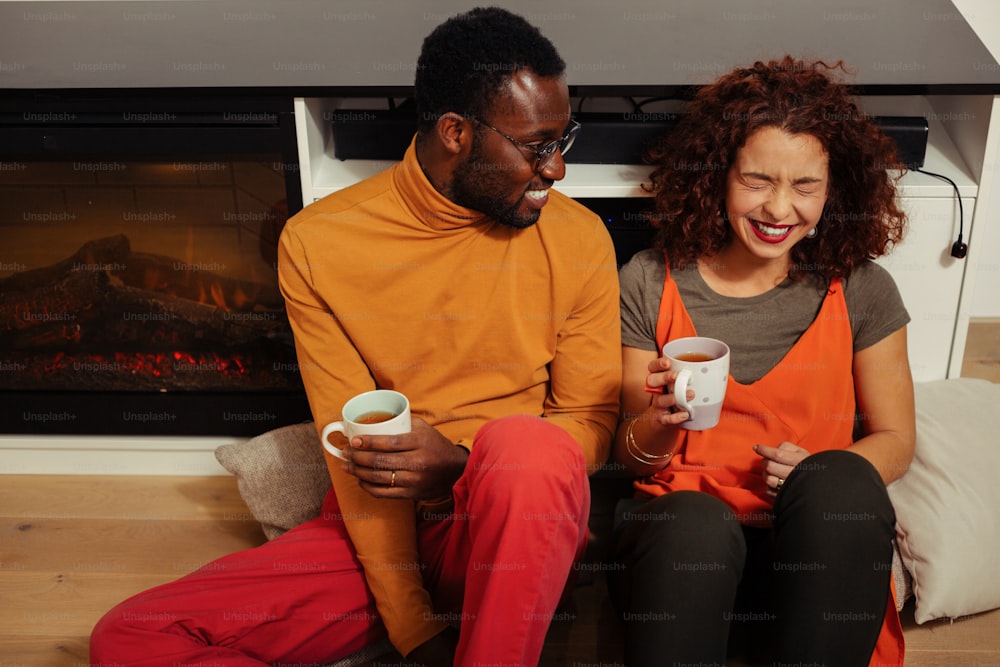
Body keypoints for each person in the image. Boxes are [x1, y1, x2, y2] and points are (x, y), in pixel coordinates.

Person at [89, 8, 621, 666]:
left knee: (527, 446)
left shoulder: (579, 238)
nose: (557, 170)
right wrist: (415, 628)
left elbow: (589, 423)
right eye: (537, 146)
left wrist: (461, 461)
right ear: (456, 132)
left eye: (561, 141)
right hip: (384, 528)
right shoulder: (320, 244)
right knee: (130, 636)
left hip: (517, 517)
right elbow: (350, 451)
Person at [608, 56, 915, 667]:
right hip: (683, 559)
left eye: (806, 186)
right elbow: (628, 456)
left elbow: (896, 439)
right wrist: (661, 420)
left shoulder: (862, 288)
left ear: (836, 190)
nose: (779, 210)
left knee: (841, 484)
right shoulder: (647, 279)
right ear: (719, 175)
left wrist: (818, 472)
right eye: (757, 181)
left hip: (810, 568)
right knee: (692, 522)